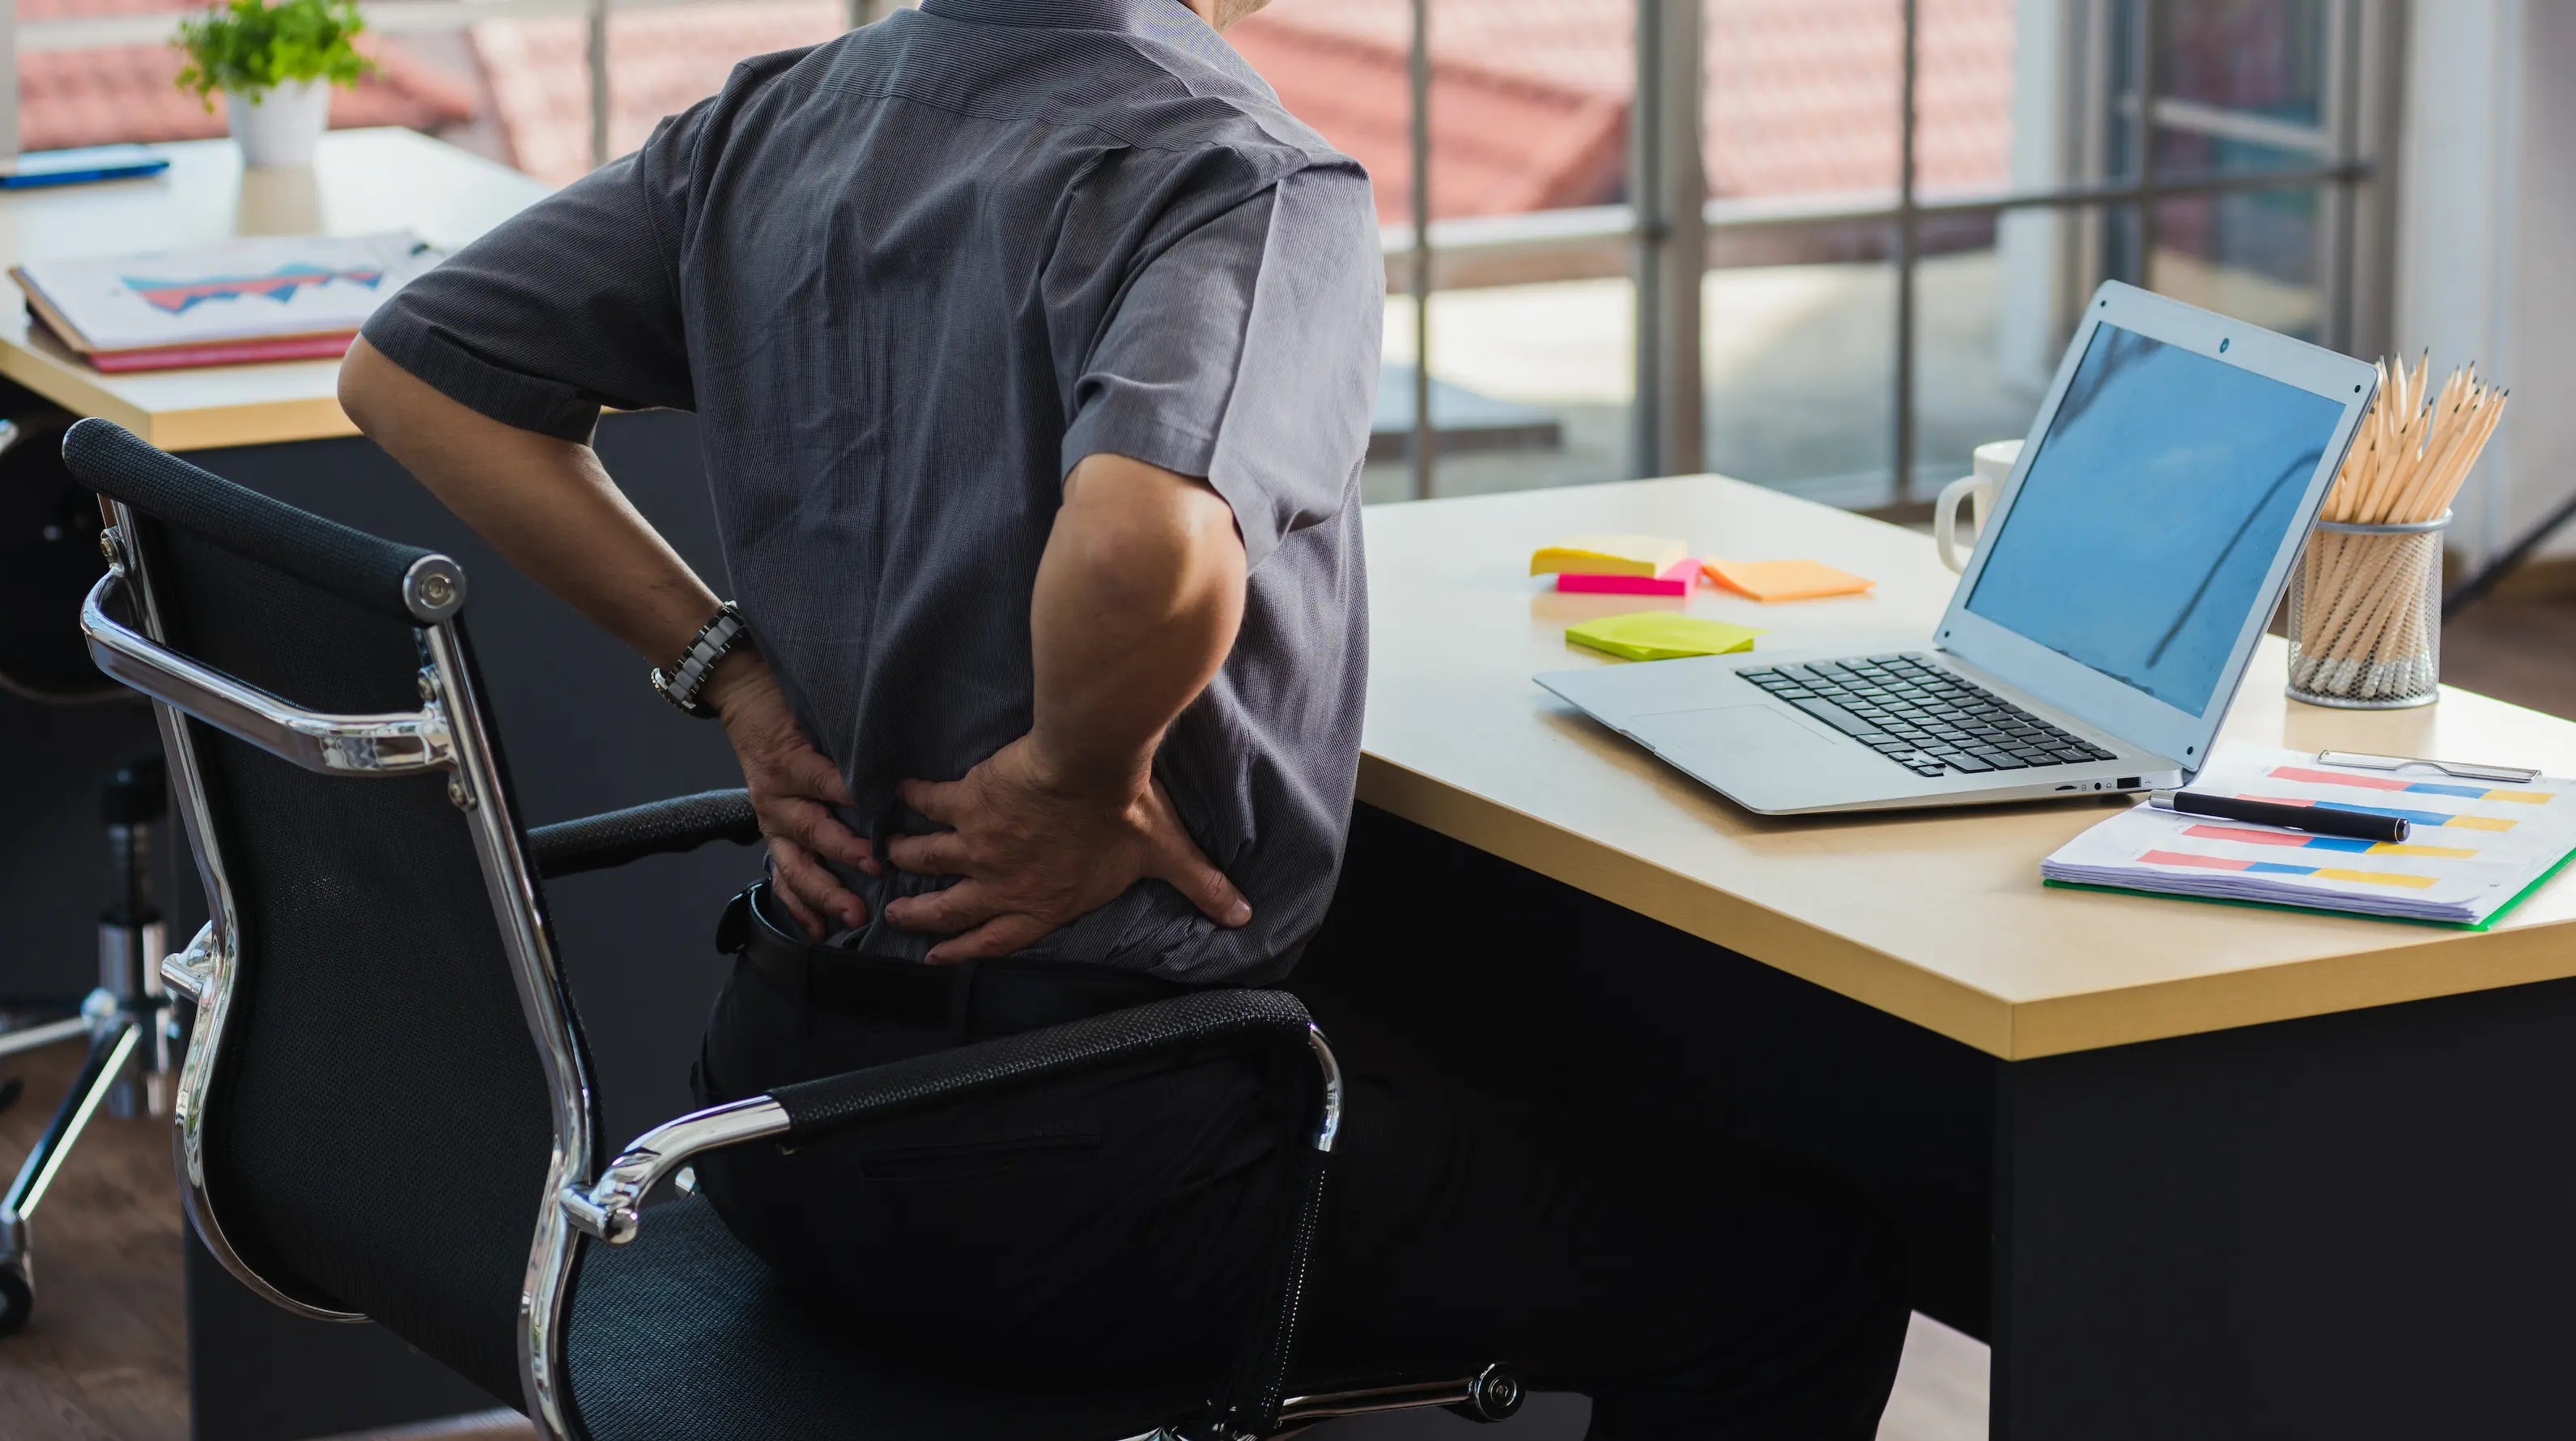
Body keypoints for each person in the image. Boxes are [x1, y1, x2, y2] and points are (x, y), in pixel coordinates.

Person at [338, 0, 1908, 1433]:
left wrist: (725, 670)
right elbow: (1146, 542)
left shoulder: (773, 125)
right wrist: (1076, 776)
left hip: (778, 1119)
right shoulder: (1237, 178)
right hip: (1086, 1182)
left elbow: (407, 370)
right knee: (1800, 1269)